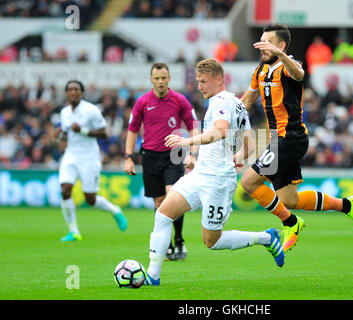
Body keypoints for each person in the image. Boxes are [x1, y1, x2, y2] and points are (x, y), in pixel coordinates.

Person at [144, 58, 284, 286]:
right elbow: (248, 145)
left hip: (217, 181)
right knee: (163, 214)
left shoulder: (219, 101)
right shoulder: (237, 104)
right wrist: (237, 158)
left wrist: (186, 140)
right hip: (200, 174)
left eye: (203, 82)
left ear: (219, 79)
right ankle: (153, 276)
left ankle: (267, 238)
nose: (199, 87)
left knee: (212, 241)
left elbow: (220, 131)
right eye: (198, 81)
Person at [239, 23, 353, 253]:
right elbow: (245, 101)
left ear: (281, 45)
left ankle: (291, 223)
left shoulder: (289, 66)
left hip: (290, 139)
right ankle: (347, 204)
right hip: (278, 141)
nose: (262, 47)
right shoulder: (260, 71)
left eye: (267, 43)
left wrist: (281, 56)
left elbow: (299, 74)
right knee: (289, 200)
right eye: (260, 42)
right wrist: (224, 113)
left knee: (248, 182)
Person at [124, 63, 198, 261]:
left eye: (164, 77)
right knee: (159, 202)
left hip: (173, 154)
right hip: (150, 155)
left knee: (172, 196)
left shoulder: (180, 100)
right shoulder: (142, 102)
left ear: (169, 78)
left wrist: (192, 152)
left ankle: (180, 240)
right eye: (157, 78)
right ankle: (168, 245)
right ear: (151, 79)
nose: (161, 81)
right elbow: (132, 130)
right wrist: (128, 157)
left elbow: (193, 126)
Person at [56, 80, 127, 242]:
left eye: (76, 89)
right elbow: (67, 133)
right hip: (71, 154)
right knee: (65, 190)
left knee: (90, 199)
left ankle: (115, 210)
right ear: (67, 93)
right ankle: (73, 232)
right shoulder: (65, 112)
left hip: (89, 156)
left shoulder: (91, 110)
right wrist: (59, 134)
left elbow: (105, 133)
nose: (73, 92)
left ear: (81, 92)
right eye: (70, 89)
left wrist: (83, 130)